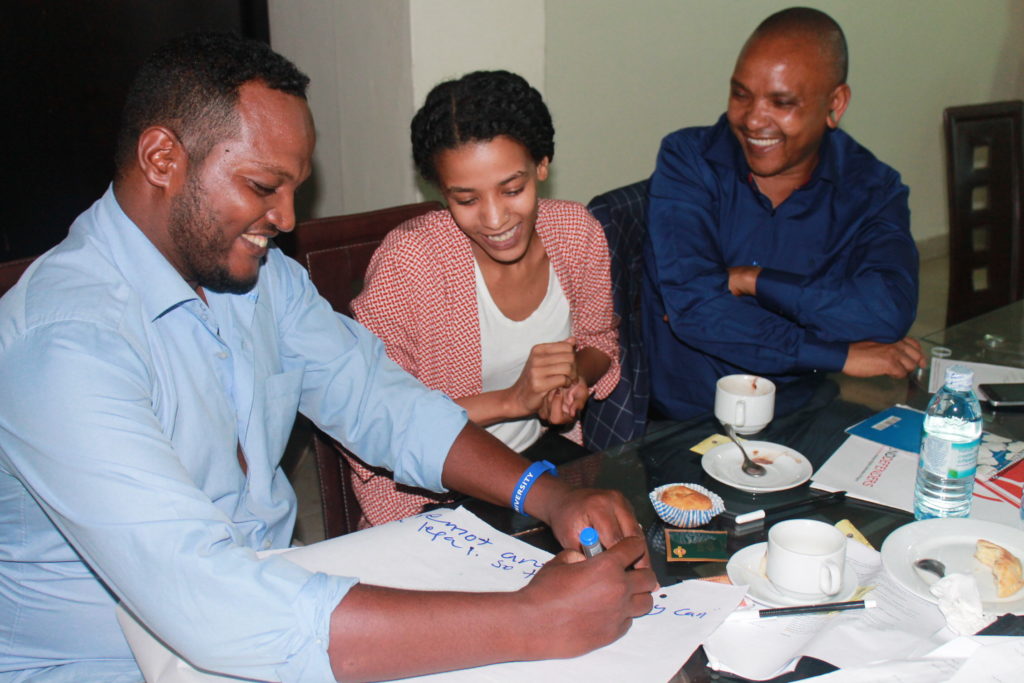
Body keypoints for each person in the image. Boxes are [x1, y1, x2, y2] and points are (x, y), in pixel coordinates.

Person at [0, 34, 654, 683]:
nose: (286, 217)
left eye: (294, 189)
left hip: (275, 601)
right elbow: (203, 595)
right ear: (163, 157)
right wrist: (530, 622)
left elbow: (382, 401)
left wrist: (546, 496)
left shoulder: (262, 281)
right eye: (263, 185)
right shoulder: (65, 345)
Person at [350, 70, 620, 526]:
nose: (495, 219)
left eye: (513, 189)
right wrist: (513, 400)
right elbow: (377, 421)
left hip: (545, 465)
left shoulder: (577, 234)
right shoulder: (409, 265)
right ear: (440, 192)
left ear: (542, 166)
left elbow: (600, 339)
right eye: (466, 199)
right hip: (432, 493)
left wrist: (572, 377)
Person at [642, 7, 926, 421]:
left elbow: (886, 313)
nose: (754, 119)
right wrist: (839, 354)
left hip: (808, 411)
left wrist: (753, 281)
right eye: (741, 94)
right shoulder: (689, 161)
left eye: (782, 102)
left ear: (836, 104)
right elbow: (698, 310)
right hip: (683, 424)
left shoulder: (870, 188)